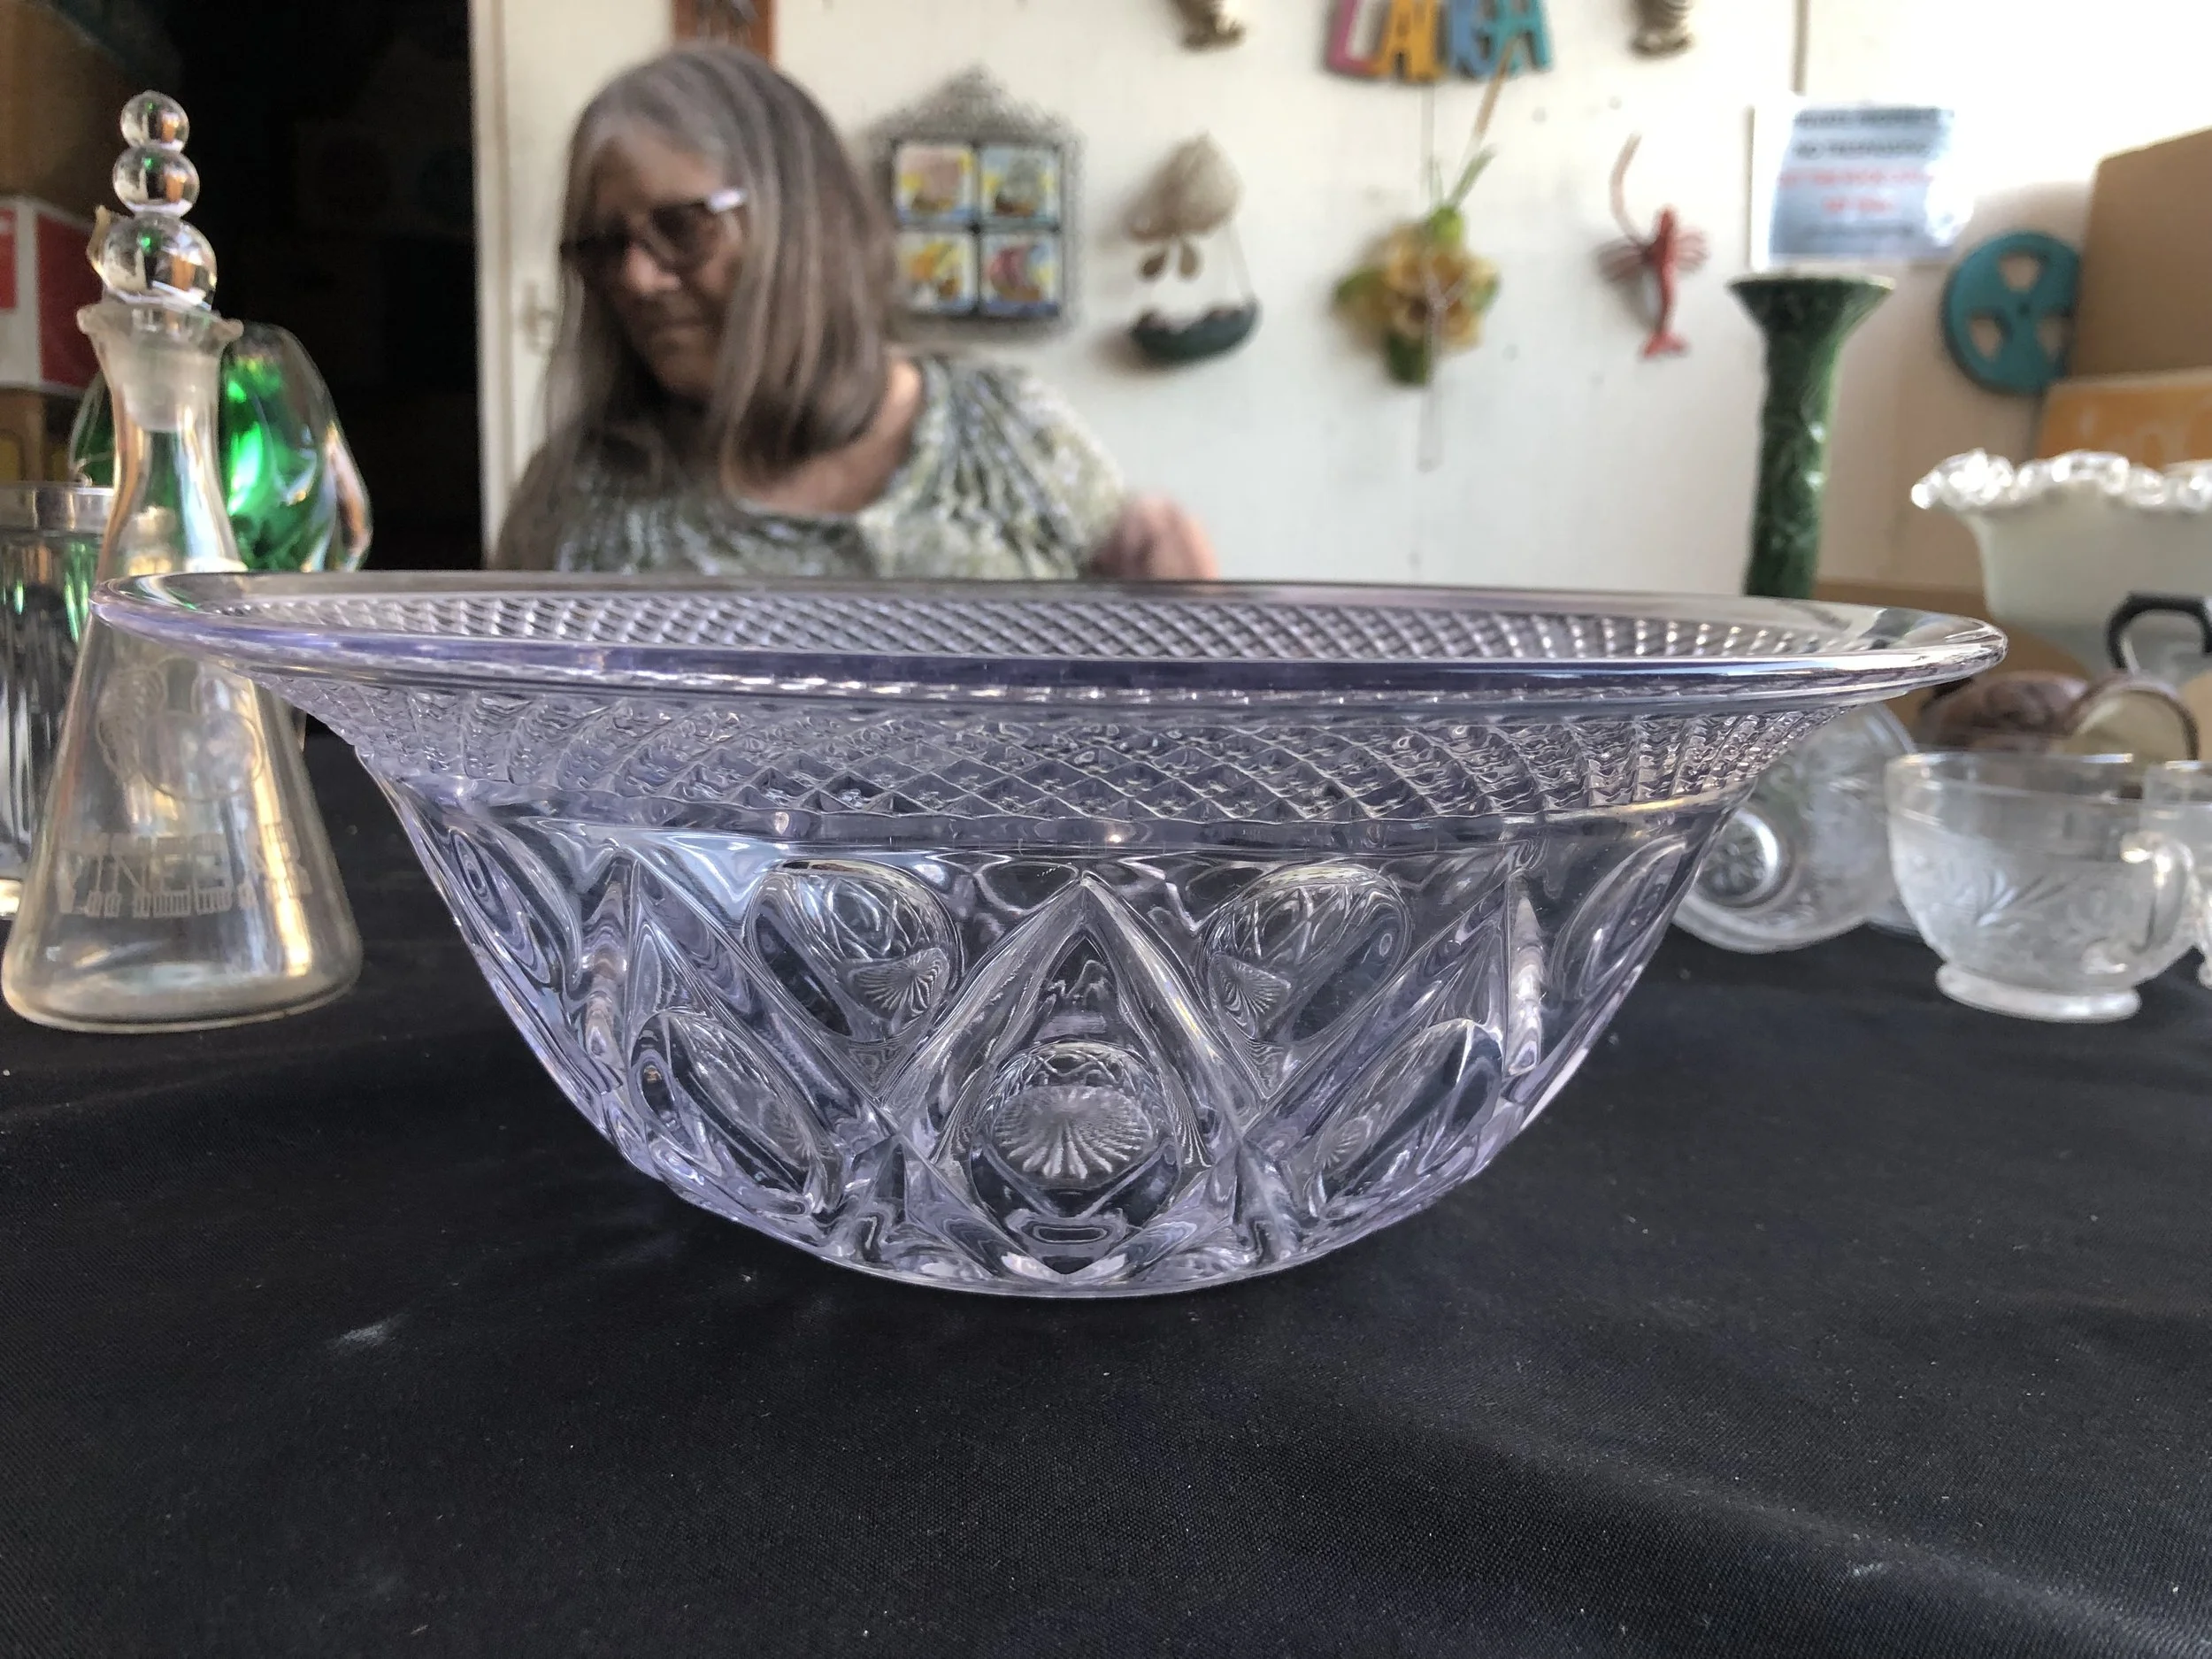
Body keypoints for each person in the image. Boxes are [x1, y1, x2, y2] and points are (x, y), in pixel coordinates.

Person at [493, 44, 1217, 581]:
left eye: (682, 227)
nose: (635, 278)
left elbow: (1148, 704)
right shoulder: (575, 492)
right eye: (602, 246)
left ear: (801, 223)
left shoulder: (1013, 437)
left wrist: (1190, 630)